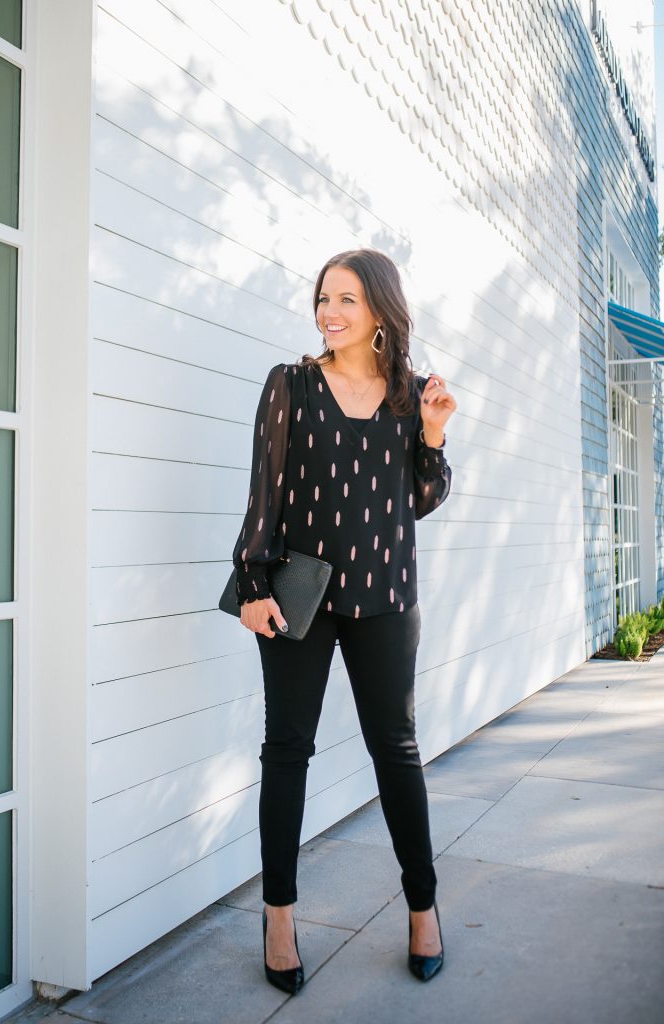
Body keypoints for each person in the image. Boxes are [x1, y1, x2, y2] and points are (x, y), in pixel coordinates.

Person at [231, 248, 456, 993]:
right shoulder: (290, 385)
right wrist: (251, 582)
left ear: (381, 313)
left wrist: (431, 432)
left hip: (386, 595)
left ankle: (423, 907)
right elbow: (265, 492)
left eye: (346, 300)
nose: (328, 312)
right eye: (323, 298)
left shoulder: (408, 395)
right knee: (287, 749)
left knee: (397, 751)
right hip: (298, 595)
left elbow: (419, 500)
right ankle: (281, 916)